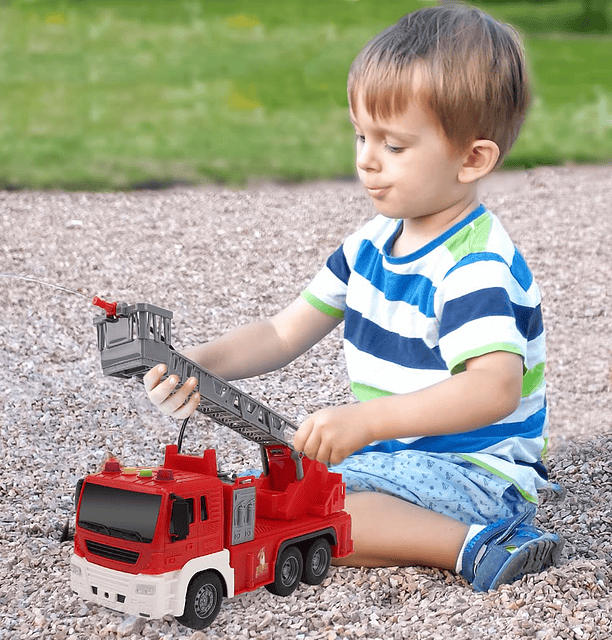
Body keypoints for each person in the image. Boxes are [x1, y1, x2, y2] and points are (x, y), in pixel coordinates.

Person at [143, 3, 563, 591]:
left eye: (393, 145)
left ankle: (482, 544)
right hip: (395, 461)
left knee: (320, 515)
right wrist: (197, 364)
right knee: (274, 499)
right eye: (361, 135)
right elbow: (281, 333)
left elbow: (493, 389)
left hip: (474, 473)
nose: (366, 159)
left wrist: (366, 421)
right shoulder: (370, 245)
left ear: (473, 158)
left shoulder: (473, 266)